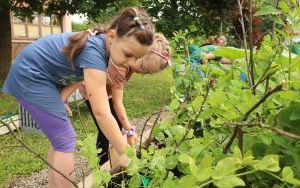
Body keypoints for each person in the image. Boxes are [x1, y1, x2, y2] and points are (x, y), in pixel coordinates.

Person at [2, 7, 155, 188]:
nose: (130, 63)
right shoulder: (95, 53)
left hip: (39, 75)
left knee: (60, 139)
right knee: (66, 139)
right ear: (112, 37)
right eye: (128, 54)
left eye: (136, 58)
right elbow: (102, 113)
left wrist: (60, 100)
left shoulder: (102, 47)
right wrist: (123, 151)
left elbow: (77, 75)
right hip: (31, 74)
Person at [72, 33, 171, 166]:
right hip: (92, 90)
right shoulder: (120, 66)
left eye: (147, 73)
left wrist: (126, 127)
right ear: (139, 53)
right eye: (143, 68)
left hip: (107, 91)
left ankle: (111, 157)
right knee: (105, 127)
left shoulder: (129, 62)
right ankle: (102, 163)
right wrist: (130, 130)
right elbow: (118, 103)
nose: (142, 74)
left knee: (116, 125)